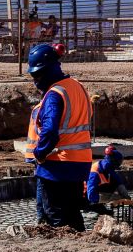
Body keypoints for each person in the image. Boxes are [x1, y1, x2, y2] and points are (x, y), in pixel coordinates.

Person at [23, 44, 92, 231]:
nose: (36, 80)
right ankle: (81, 246)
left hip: (58, 164)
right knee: (72, 213)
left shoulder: (54, 94)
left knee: (55, 215)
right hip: (80, 163)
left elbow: (50, 131)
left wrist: (39, 153)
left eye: (38, 75)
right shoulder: (77, 87)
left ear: (49, 70)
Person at [84, 144, 129, 213]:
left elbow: (118, 181)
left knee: (108, 213)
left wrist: (126, 196)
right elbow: (91, 196)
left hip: (96, 196)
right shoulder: (95, 173)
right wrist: (113, 198)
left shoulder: (108, 169)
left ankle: (101, 207)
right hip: (85, 198)